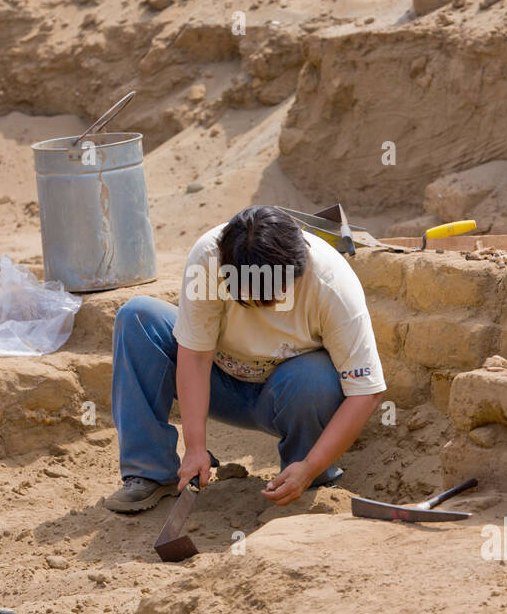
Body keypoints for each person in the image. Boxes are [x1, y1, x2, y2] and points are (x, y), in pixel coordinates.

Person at [105, 204, 386, 513]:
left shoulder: (332, 284)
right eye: (248, 294)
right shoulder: (208, 259)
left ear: (297, 270)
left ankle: (305, 477)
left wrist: (309, 466)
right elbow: (196, 357)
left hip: (286, 396)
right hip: (221, 384)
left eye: (272, 295)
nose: (259, 303)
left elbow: (366, 392)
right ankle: (150, 473)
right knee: (137, 318)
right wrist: (195, 447)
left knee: (315, 377)